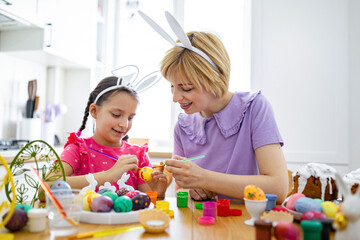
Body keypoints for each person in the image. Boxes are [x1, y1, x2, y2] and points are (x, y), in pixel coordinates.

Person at [139, 11, 288, 202]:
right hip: (203, 225)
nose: (175, 97)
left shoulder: (255, 108)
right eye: (172, 86)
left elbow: (278, 187)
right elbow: (180, 191)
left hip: (245, 223)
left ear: (213, 79)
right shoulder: (184, 126)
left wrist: (204, 179)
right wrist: (190, 191)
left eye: (185, 87)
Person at [57, 74, 168, 197]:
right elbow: (45, 188)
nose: (124, 124)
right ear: (94, 111)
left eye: (130, 117)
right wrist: (108, 176)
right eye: (116, 114)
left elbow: (146, 203)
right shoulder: (77, 149)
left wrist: (158, 192)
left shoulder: (138, 156)